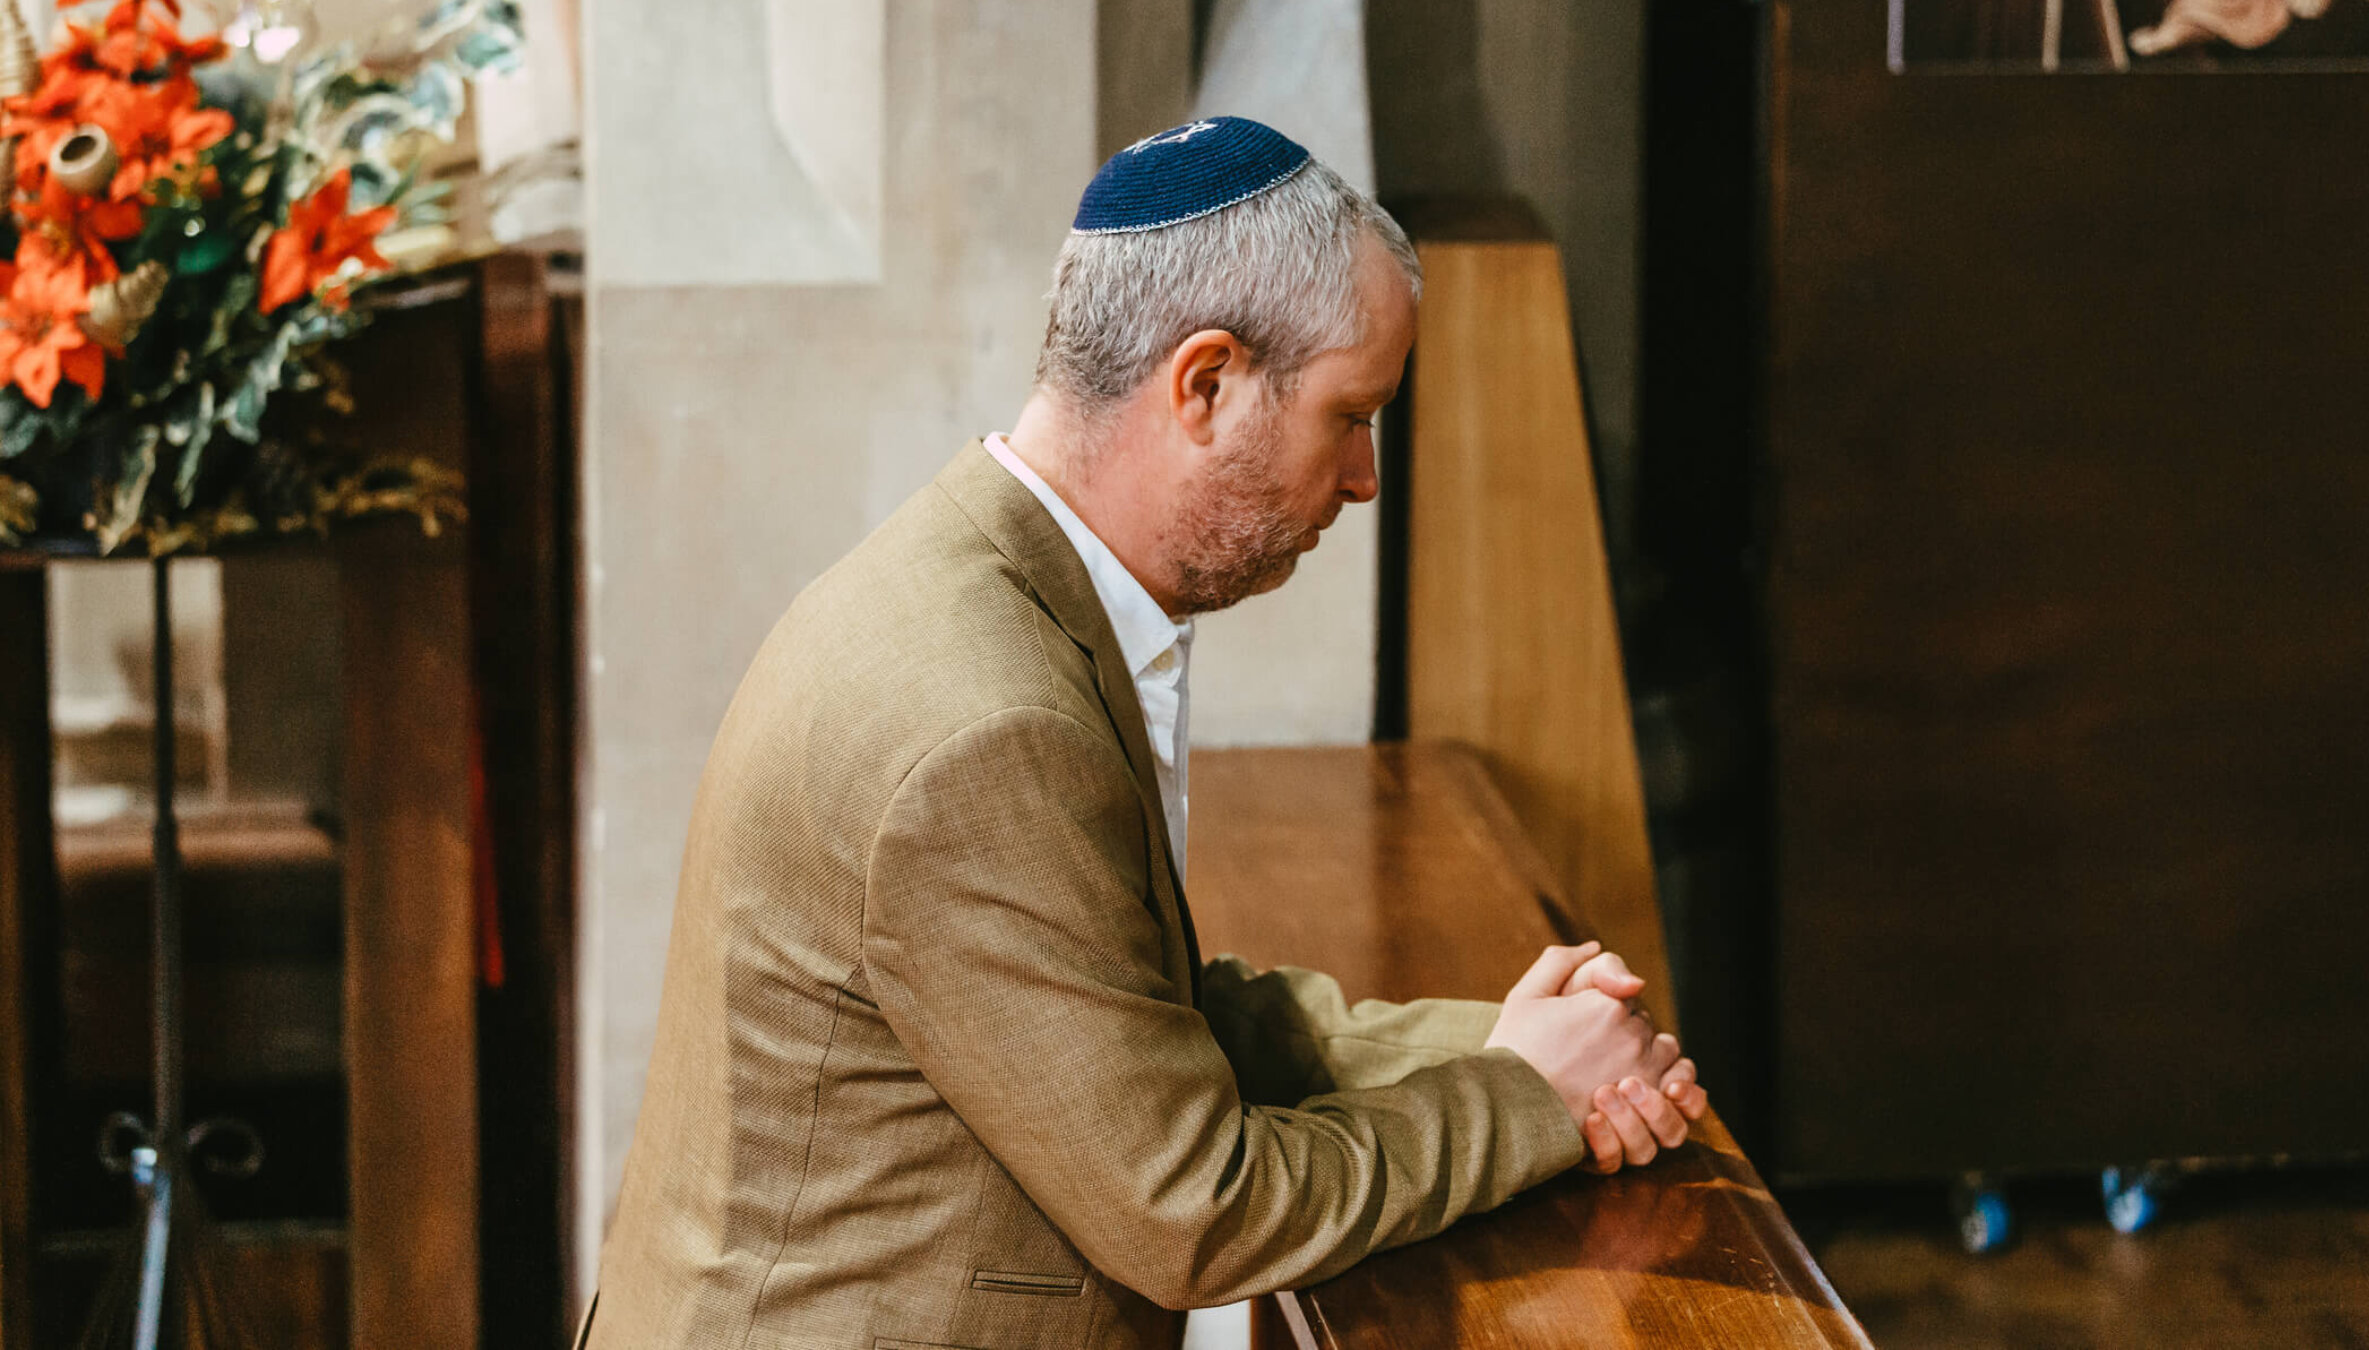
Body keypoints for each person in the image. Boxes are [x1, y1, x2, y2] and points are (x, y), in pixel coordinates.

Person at [584, 117, 1709, 1350]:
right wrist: (1524, 1097)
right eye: (1351, 414)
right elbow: (1196, 1209)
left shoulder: (990, 585)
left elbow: (1141, 1017)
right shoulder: (981, 723)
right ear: (1207, 382)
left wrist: (1511, 1042)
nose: (1365, 477)